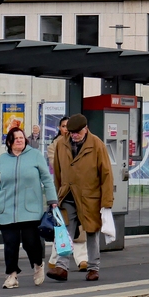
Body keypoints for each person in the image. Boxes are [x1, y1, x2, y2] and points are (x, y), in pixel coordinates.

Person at [48, 113, 113, 283]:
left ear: (86, 129)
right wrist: (56, 195)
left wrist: (106, 202)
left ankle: (93, 268)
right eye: (71, 132)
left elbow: (106, 174)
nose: (74, 135)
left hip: (90, 196)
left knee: (91, 232)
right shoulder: (61, 144)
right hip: (68, 194)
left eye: (77, 132)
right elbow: (57, 171)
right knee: (65, 231)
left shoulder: (97, 144)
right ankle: (61, 267)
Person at [0, 127, 57, 289]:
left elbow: (46, 179)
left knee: (31, 242)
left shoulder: (35, 156)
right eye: (16, 138)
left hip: (30, 209)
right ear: (9, 142)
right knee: (10, 244)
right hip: (7, 209)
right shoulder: (3, 159)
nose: (20, 140)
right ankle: (12, 276)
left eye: (21, 137)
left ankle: (38, 264)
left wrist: (52, 200)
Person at [45, 117, 90, 272]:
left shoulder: (84, 143)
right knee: (63, 228)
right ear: (59, 128)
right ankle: (56, 260)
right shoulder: (56, 145)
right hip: (64, 191)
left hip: (81, 192)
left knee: (80, 228)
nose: (66, 129)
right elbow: (56, 166)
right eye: (63, 126)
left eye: (68, 126)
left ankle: (82, 259)